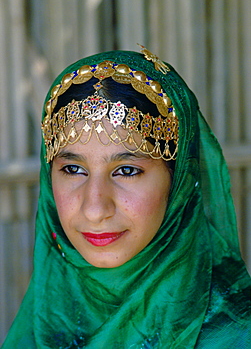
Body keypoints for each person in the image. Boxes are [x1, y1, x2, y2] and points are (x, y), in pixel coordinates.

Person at [2, 47, 251, 348]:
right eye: (72, 168)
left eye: (127, 171)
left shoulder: (234, 335)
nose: (95, 208)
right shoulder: (43, 323)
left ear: (178, 182)